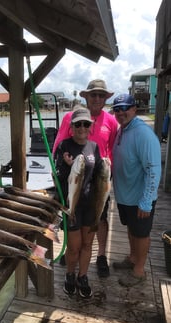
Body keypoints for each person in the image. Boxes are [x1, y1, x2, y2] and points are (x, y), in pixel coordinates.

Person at [53, 79, 118, 277]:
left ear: (106, 99)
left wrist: (108, 171)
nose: (97, 98)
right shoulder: (69, 119)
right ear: (86, 97)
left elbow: (112, 149)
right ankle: (69, 251)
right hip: (75, 175)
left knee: (101, 217)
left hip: (99, 179)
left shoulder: (111, 121)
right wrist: (61, 168)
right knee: (73, 219)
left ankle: (101, 256)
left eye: (101, 95)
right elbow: (59, 146)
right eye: (93, 94)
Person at [111, 93, 162, 287]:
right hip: (125, 196)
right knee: (132, 229)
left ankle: (139, 271)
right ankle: (132, 258)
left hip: (140, 198)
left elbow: (154, 169)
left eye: (125, 108)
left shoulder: (143, 133)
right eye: (117, 109)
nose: (121, 112)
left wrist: (146, 201)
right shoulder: (123, 129)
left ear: (134, 109)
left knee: (141, 233)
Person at [54, 107, 104, 298]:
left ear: (90, 127)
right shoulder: (64, 146)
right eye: (78, 124)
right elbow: (58, 178)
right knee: (74, 246)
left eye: (86, 124)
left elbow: (98, 175)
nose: (82, 127)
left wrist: (105, 168)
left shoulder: (94, 147)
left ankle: (83, 276)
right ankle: (69, 275)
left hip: (90, 205)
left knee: (87, 244)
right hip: (72, 206)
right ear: (72, 127)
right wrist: (67, 167)